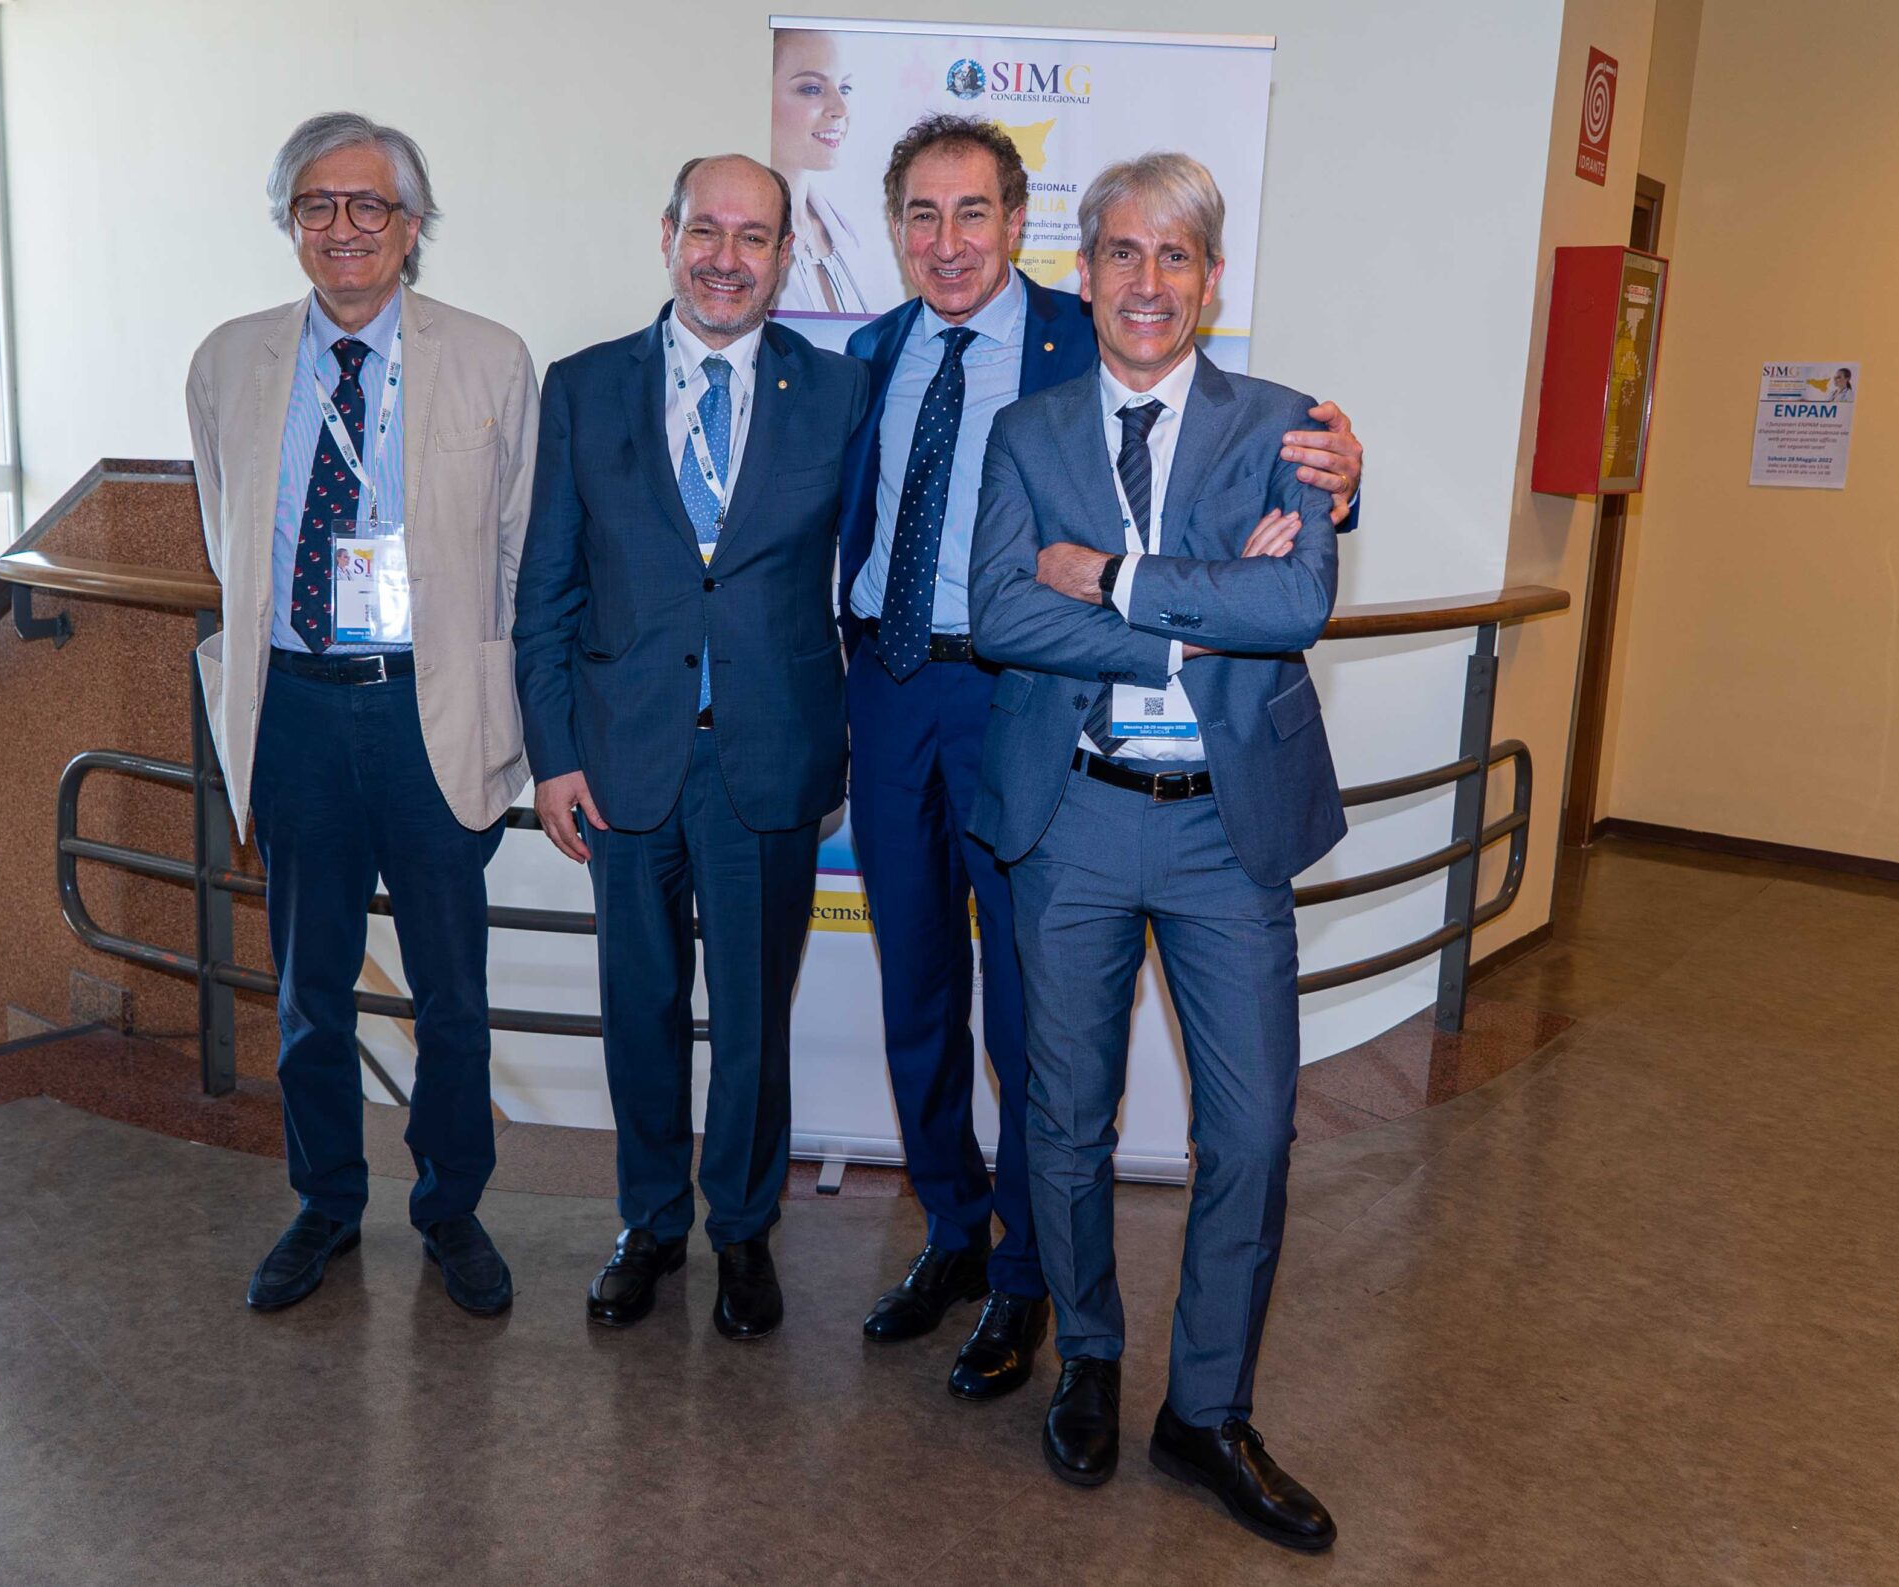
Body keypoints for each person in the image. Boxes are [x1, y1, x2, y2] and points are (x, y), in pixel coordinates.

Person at [839, 117, 1363, 1404]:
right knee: (916, 987)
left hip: (1034, 719)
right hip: (895, 689)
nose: (947, 241)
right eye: (921, 215)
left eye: (973, 212)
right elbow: (987, 590)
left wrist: (1338, 488)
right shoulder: (865, 354)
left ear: (1023, 229)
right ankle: (955, 1233)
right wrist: (1201, 616)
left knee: (1039, 1039)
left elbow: (1277, 546)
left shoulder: (1089, 341)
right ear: (895, 229)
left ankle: (1029, 1282)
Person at [968, 151, 1351, 1553]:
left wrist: (1113, 578)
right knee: (1064, 1118)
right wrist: (1197, 621)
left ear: (1211, 278)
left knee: (1248, 1129)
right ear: (1083, 275)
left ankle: (1208, 1411)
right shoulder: (1026, 432)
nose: (1147, 282)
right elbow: (1001, 614)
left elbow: (1294, 602)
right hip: (1070, 813)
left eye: (1174, 256)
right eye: (1121, 254)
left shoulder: (1287, 426)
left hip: (1222, 830)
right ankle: (1090, 1356)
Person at [183, 112, 536, 1318]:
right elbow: (226, 530)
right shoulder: (227, 361)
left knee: (450, 995)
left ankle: (451, 1208)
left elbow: (517, 549)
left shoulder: (491, 359)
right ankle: (326, 1201)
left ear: (412, 225)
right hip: (293, 709)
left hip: (428, 711)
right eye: (317, 206)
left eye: (368, 204)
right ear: (290, 223)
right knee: (308, 994)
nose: (344, 228)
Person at [514, 154, 868, 1341]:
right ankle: (651, 1223)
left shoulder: (838, 392)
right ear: (666, 234)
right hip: (623, 759)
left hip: (771, 760)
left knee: (755, 1019)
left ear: (785, 255)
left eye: (753, 236)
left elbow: (885, 567)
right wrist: (553, 754)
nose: (726, 257)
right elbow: (546, 589)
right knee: (642, 1005)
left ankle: (744, 1229)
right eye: (705, 230)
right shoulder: (583, 386)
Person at [771, 29, 891, 315]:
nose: (841, 108)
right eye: (812, 89)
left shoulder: (866, 237)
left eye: (845, 88)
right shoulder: (738, 243)